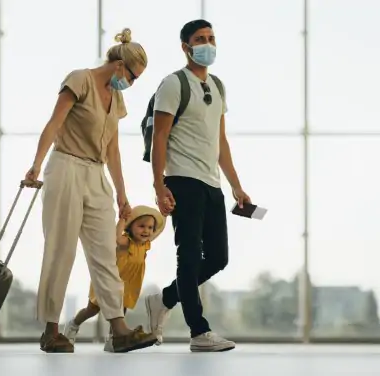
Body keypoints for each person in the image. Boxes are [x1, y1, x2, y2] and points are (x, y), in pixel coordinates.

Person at [24, 28, 158, 353]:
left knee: (106, 254)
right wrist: (36, 165)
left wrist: (121, 194)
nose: (132, 83)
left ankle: (119, 329)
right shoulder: (80, 79)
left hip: (96, 175)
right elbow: (54, 123)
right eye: (133, 76)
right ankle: (51, 330)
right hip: (65, 166)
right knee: (61, 249)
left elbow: (112, 148)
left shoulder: (117, 98)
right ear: (118, 65)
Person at [143, 19, 251, 352]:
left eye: (211, 38)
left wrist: (236, 185)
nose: (207, 43)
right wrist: (159, 185)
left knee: (218, 257)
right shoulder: (173, 84)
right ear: (185, 47)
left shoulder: (217, 86)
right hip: (182, 179)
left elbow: (220, 140)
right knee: (188, 255)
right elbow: (159, 137)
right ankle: (198, 332)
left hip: (210, 182)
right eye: (200, 39)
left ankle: (164, 299)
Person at [62, 205, 166, 352]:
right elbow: (116, 238)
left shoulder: (145, 243)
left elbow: (159, 230)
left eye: (150, 227)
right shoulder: (126, 241)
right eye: (141, 226)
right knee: (92, 309)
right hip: (110, 280)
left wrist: (165, 214)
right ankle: (74, 324)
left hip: (129, 283)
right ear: (130, 226)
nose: (146, 231)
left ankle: (113, 339)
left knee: (121, 310)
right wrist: (123, 219)